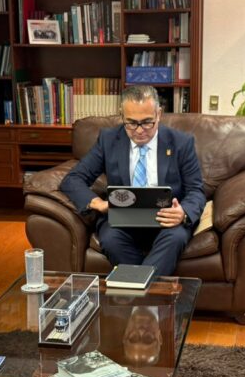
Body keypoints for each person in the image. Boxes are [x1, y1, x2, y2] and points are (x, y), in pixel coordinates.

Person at [60, 85, 205, 276]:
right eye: (131, 123)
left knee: (176, 238)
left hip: (166, 219)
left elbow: (196, 190)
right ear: (122, 116)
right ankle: (148, 293)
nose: (139, 131)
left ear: (159, 114)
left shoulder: (181, 142)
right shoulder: (109, 140)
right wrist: (98, 203)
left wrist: (183, 213)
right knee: (110, 239)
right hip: (122, 218)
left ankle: (136, 293)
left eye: (147, 122)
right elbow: (73, 179)